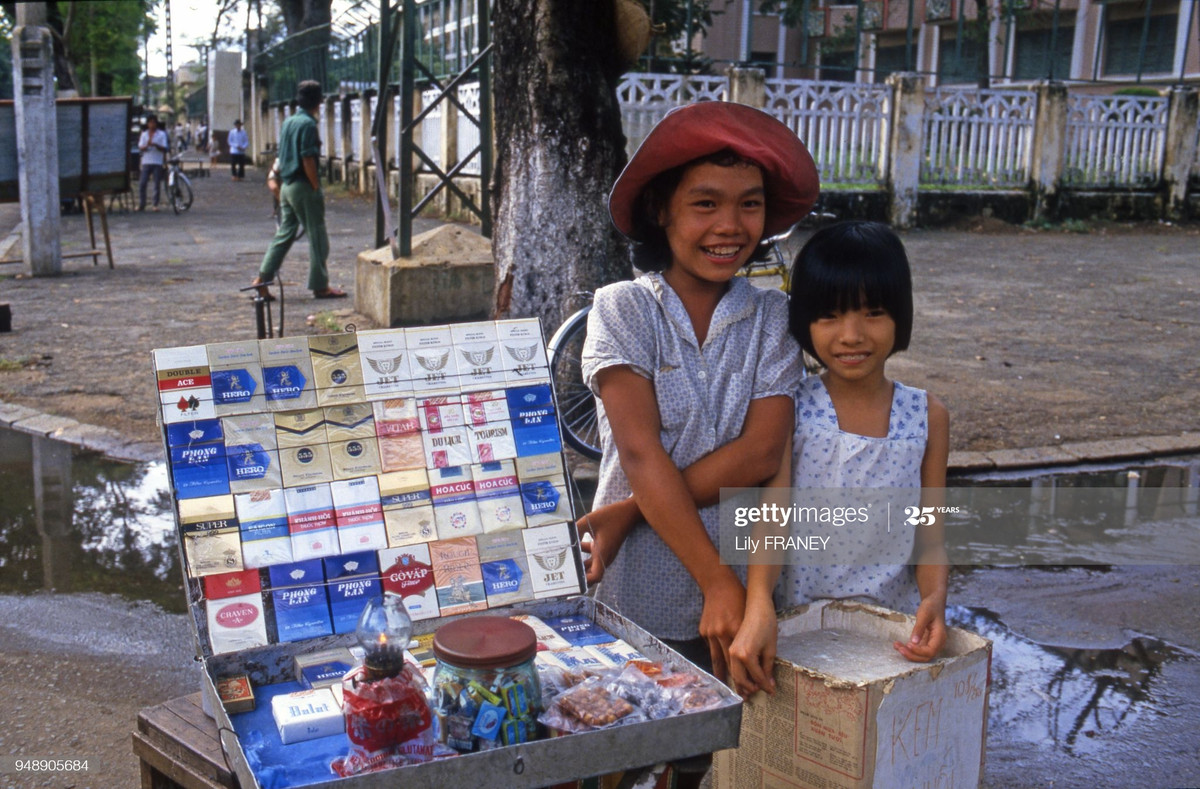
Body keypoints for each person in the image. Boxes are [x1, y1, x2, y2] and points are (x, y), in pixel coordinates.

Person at [580, 102, 818, 704]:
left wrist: (630, 511)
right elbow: (638, 450)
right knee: (619, 735)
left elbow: (763, 453)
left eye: (750, 203)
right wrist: (713, 579)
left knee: (708, 748)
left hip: (743, 591)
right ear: (662, 211)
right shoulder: (624, 308)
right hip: (637, 587)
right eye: (705, 203)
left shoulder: (772, 317)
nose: (730, 225)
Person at [732, 221, 951, 697]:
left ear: (901, 315)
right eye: (829, 316)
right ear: (805, 321)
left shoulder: (928, 416)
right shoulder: (791, 409)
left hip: (891, 637)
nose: (851, 335)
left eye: (873, 313)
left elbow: (930, 536)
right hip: (798, 629)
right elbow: (772, 516)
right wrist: (757, 606)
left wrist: (935, 599)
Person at [249, 81, 346, 300]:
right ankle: (320, 285)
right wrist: (315, 186)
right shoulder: (308, 125)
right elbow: (307, 158)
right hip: (303, 186)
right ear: (318, 102)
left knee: (284, 234)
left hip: (286, 185)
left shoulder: (288, 122)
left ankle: (262, 279)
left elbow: (282, 155)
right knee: (318, 235)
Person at [137, 115, 169, 212]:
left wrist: (155, 145)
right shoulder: (144, 134)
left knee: (156, 184)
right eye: (150, 122)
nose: (152, 124)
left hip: (157, 161)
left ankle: (155, 204)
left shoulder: (161, 134)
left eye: (154, 122)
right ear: (147, 124)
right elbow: (140, 147)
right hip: (146, 161)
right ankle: (142, 203)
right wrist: (147, 145)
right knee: (142, 183)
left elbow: (164, 148)